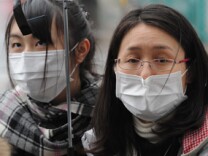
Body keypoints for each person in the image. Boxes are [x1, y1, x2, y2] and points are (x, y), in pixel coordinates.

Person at [82, 4, 208, 156]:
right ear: (114, 68)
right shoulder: (99, 141)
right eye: (133, 60)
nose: (145, 74)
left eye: (162, 60)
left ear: (190, 71)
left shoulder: (202, 143)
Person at [0, 0, 100, 155]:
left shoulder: (111, 115)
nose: (26, 57)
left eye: (41, 42)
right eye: (17, 45)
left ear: (80, 50)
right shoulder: (5, 118)